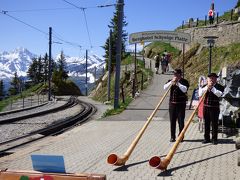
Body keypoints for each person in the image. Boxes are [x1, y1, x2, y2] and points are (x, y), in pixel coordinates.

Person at [164, 69, 189, 142]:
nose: (175, 76)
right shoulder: (170, 81)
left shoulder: (184, 82)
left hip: (181, 105)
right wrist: (171, 82)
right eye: (174, 74)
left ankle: (181, 136)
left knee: (181, 121)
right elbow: (164, 88)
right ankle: (172, 136)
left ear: (180, 74)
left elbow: (184, 90)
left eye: (177, 74)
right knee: (172, 121)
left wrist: (178, 83)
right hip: (172, 104)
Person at [199, 73, 224, 145]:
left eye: (213, 78)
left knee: (214, 124)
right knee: (206, 123)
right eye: (210, 78)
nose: (212, 80)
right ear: (208, 79)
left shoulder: (219, 86)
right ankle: (206, 138)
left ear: (216, 79)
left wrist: (212, 88)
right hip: (206, 107)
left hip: (214, 108)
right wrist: (207, 87)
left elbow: (219, 94)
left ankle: (214, 139)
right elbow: (200, 94)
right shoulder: (205, 86)